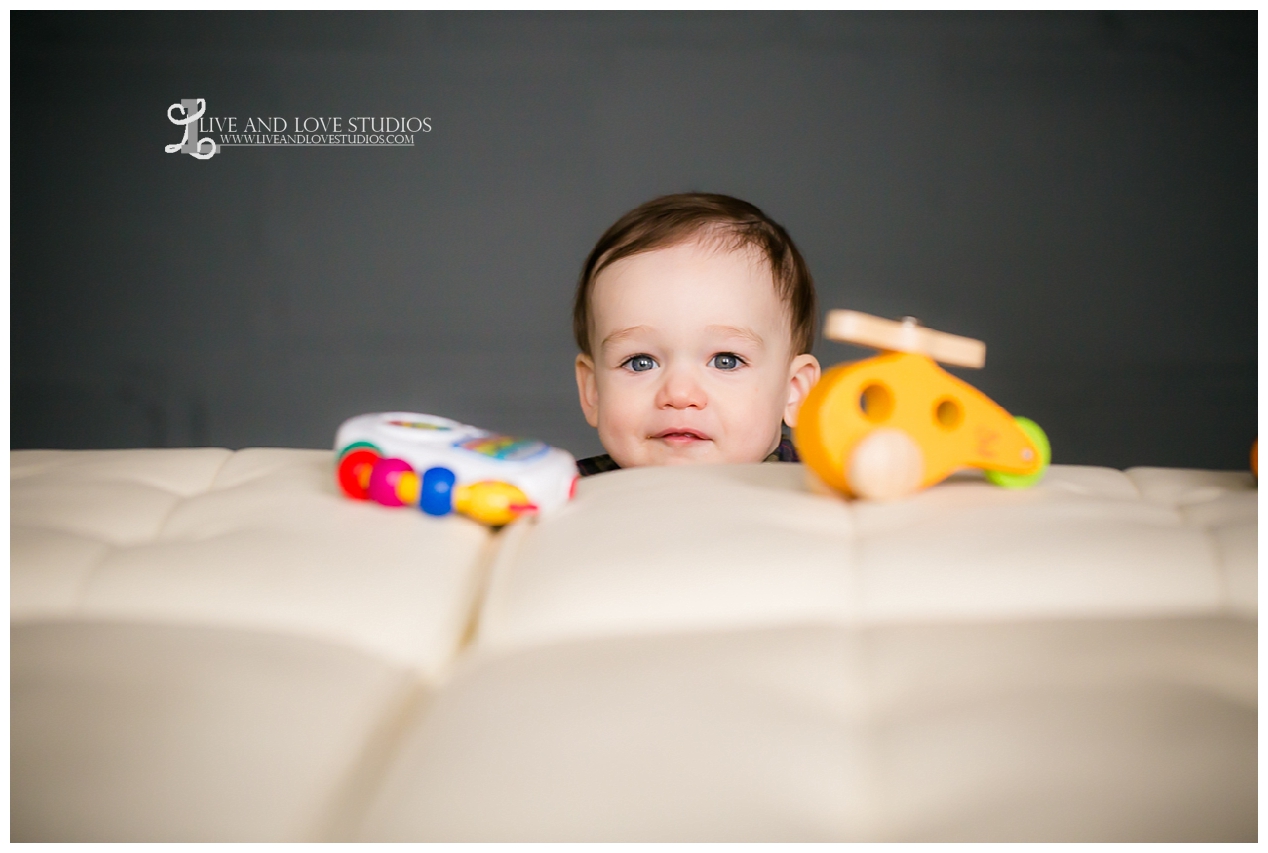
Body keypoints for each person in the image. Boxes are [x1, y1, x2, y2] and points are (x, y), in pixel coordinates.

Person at [572, 192, 821, 476]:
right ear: (592, 390)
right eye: (640, 362)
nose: (678, 394)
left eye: (725, 361)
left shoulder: (824, 497)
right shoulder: (559, 502)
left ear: (794, 390)